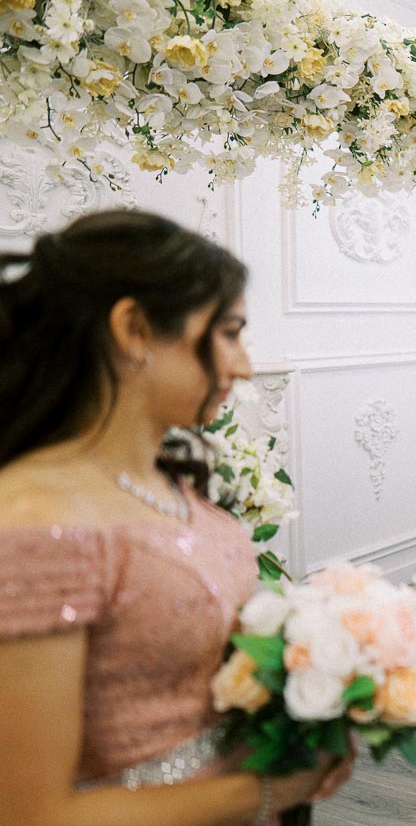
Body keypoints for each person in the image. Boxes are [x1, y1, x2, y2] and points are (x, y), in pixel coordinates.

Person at [0, 211, 351, 824]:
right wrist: (272, 790)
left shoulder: (165, 483)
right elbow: (33, 814)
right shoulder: (37, 523)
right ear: (134, 328)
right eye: (230, 333)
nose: (243, 365)